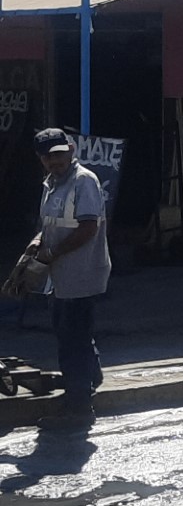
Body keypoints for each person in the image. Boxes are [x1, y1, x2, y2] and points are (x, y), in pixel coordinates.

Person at [28, 128, 111, 418]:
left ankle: (78, 405)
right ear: (41, 159)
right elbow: (49, 223)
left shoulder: (83, 181)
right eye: (49, 157)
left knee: (72, 340)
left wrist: (53, 252)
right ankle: (91, 377)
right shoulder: (51, 183)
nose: (55, 161)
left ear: (72, 150)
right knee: (73, 332)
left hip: (81, 272)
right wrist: (39, 243)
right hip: (61, 274)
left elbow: (89, 228)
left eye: (60, 155)